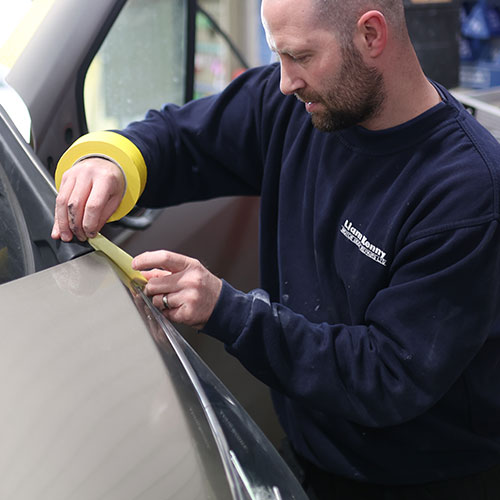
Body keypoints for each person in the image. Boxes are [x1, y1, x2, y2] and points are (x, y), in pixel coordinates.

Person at [52, 0, 500, 498]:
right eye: (278, 56)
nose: (285, 80)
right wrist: (111, 161)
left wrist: (228, 311)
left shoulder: (465, 191)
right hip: (311, 451)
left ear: (372, 35)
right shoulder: (295, 105)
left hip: (420, 478)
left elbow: (388, 373)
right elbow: (183, 140)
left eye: (301, 57)